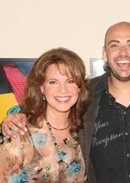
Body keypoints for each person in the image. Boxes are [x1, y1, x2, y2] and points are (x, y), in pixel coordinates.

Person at [1, 22, 130, 182]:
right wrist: (13, 118)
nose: (123, 52)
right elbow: (46, 108)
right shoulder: (88, 95)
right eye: (114, 45)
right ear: (104, 53)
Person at [0, 48, 90, 182]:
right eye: (53, 82)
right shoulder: (18, 133)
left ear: (79, 88)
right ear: (41, 88)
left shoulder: (83, 131)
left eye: (70, 81)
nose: (63, 90)